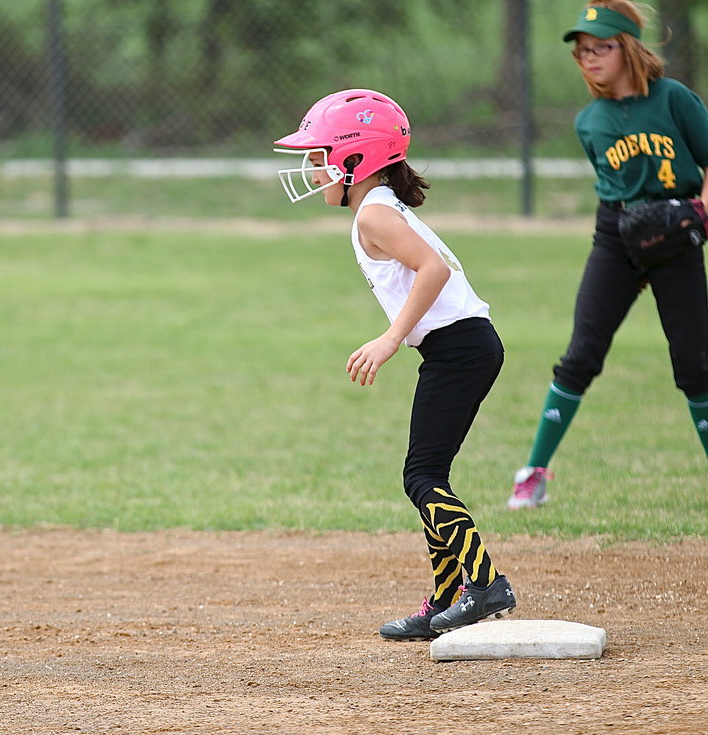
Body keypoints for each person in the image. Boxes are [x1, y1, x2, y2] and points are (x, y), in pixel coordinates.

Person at [274, 89, 516, 640]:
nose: (313, 172)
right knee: (427, 474)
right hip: (458, 348)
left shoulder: (375, 215)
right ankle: (448, 597)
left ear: (353, 159)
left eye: (319, 159)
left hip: (460, 349)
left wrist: (390, 338)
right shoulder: (379, 207)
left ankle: (486, 585)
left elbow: (434, 270)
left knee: (423, 477)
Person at [509, 1, 708, 510]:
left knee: (695, 364)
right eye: (583, 51)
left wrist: (700, 211)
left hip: (676, 229)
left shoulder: (674, 100)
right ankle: (533, 473)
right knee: (581, 354)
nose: (590, 57)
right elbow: (612, 186)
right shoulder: (589, 121)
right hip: (616, 234)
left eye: (603, 47)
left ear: (630, 48)